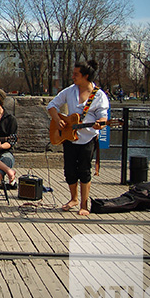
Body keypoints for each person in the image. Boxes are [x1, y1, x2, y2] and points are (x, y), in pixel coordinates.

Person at [47, 60, 108, 216]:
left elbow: (103, 117)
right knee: (69, 170)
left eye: (76, 74)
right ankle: (73, 198)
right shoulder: (70, 91)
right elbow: (52, 105)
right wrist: (57, 119)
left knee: (84, 170)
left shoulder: (99, 95)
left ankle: (84, 204)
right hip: (69, 136)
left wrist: (100, 124)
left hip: (87, 137)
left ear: (86, 76)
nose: (73, 77)